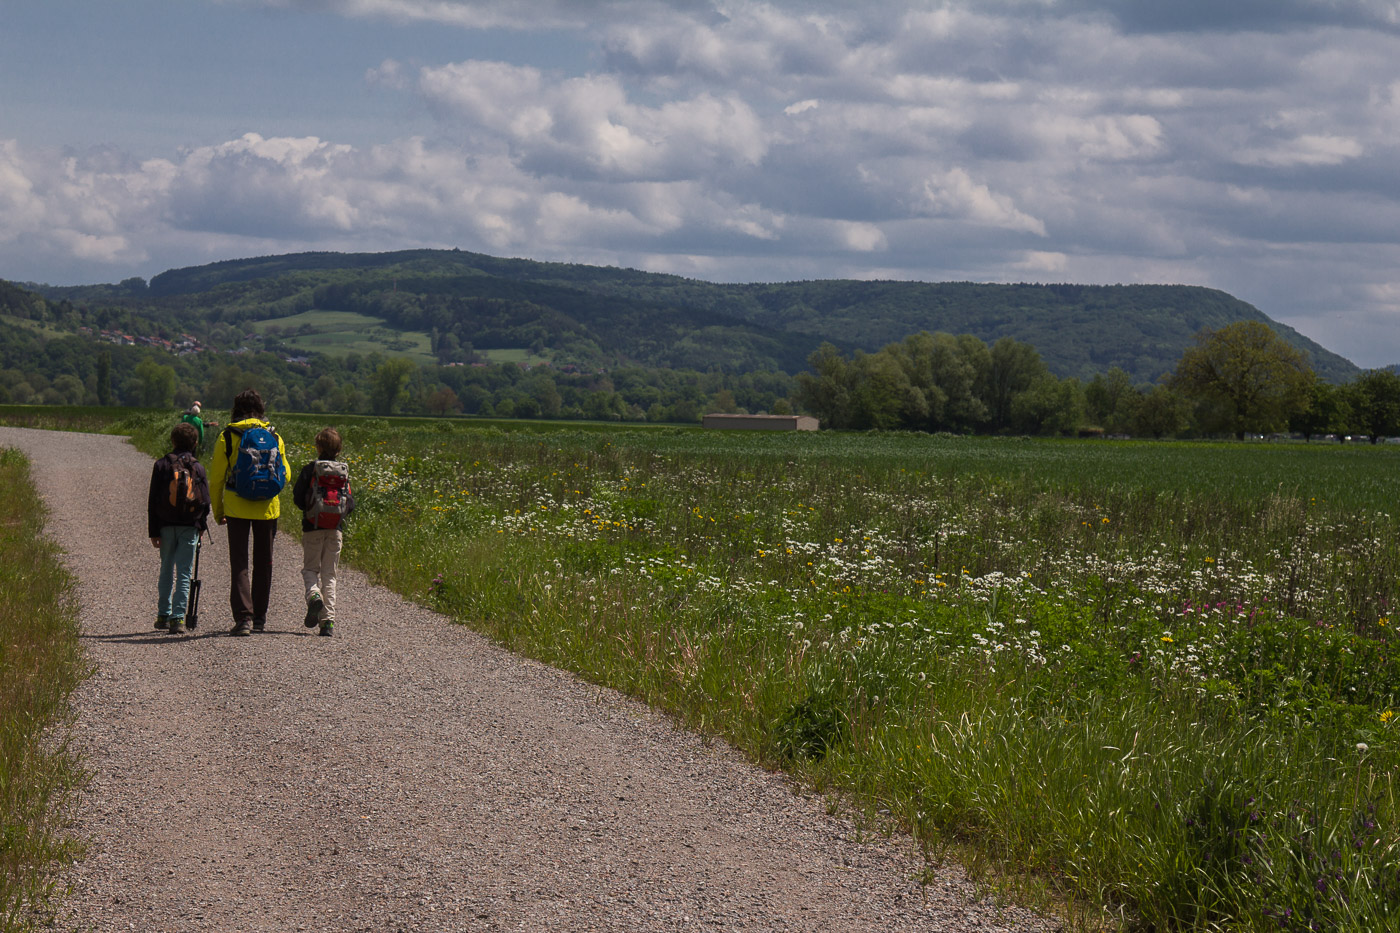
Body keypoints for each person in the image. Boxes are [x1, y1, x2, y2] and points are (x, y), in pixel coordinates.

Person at [210, 388, 287, 637]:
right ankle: (261, 618)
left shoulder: (228, 436)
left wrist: (218, 511)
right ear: (261, 409)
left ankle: (243, 618)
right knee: (265, 563)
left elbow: (216, 479)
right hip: (267, 508)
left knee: (240, 563)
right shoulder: (274, 435)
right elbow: (285, 472)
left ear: (236, 409)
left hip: (236, 506)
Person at [148, 422, 210, 636]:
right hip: (189, 526)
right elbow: (205, 501)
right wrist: (201, 526)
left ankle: (163, 615)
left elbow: (153, 500)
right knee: (184, 572)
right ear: (195, 443)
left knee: (166, 568)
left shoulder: (161, 465)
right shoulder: (198, 467)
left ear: (172, 441)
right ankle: (178, 618)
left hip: (165, 525)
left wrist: (153, 531)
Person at [292, 427, 354, 637]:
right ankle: (327, 622)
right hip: (335, 529)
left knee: (310, 570)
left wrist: (312, 511)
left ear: (318, 447)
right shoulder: (343, 472)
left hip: (312, 528)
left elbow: (298, 498)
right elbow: (350, 503)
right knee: (330, 575)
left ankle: (313, 596)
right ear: (339, 449)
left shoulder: (310, 469)